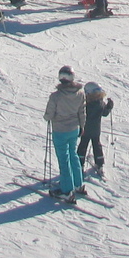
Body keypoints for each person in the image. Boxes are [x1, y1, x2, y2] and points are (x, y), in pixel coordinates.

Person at [44, 65, 87, 199]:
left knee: (64, 159)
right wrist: (82, 126)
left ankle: (67, 190)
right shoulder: (80, 94)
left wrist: (47, 117)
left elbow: (49, 115)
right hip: (74, 129)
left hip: (60, 131)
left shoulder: (56, 96)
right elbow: (82, 112)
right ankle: (78, 184)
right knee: (73, 154)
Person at [78, 81, 115, 176]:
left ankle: (79, 164)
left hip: (85, 130)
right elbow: (105, 113)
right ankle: (99, 164)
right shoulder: (100, 103)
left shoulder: (85, 104)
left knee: (83, 146)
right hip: (96, 130)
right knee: (97, 145)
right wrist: (109, 106)